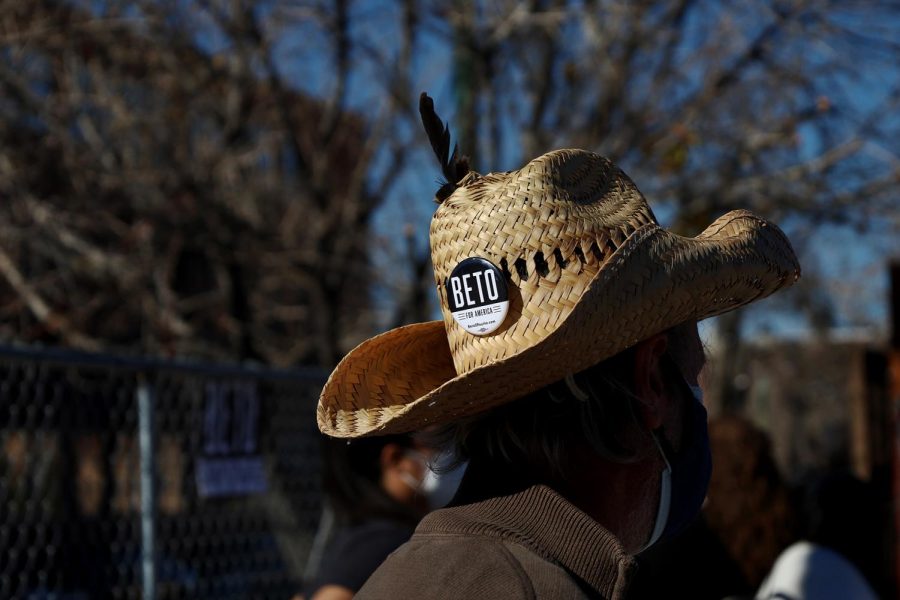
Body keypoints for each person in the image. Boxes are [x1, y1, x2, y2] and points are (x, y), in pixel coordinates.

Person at [316, 93, 801, 599]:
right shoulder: (548, 588)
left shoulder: (392, 579)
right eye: (692, 374)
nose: (698, 399)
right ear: (652, 379)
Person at [302, 434, 464, 600]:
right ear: (394, 459)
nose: (436, 456)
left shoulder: (359, 533)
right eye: (428, 447)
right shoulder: (387, 539)